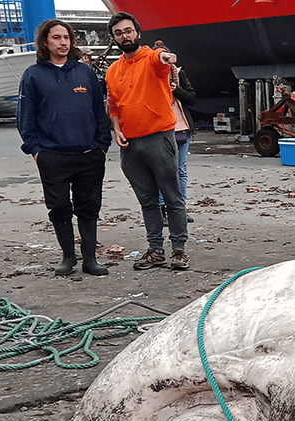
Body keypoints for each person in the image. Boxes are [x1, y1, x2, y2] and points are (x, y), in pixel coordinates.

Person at [17, 19, 111, 276]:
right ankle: (68, 257)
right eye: (57, 37)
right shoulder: (33, 75)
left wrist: (102, 145)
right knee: (59, 208)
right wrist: (35, 150)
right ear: (45, 42)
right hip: (52, 156)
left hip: (89, 154)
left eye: (66, 38)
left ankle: (90, 259)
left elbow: (99, 111)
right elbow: (25, 117)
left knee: (89, 207)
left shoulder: (85, 73)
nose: (63, 42)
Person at [105, 12, 190, 271]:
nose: (124, 36)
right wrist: (116, 130)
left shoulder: (151, 59)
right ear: (114, 38)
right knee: (147, 201)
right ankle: (155, 250)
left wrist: (165, 57)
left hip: (159, 138)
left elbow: (160, 59)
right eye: (119, 33)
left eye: (128, 31)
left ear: (138, 33)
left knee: (172, 197)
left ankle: (179, 250)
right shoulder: (113, 71)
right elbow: (114, 105)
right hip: (130, 145)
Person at [156, 46, 197, 225]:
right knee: (164, 171)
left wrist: (176, 89)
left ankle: (179, 209)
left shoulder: (179, 74)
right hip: (161, 130)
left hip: (182, 128)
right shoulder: (151, 76)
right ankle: (162, 209)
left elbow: (192, 98)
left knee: (181, 171)